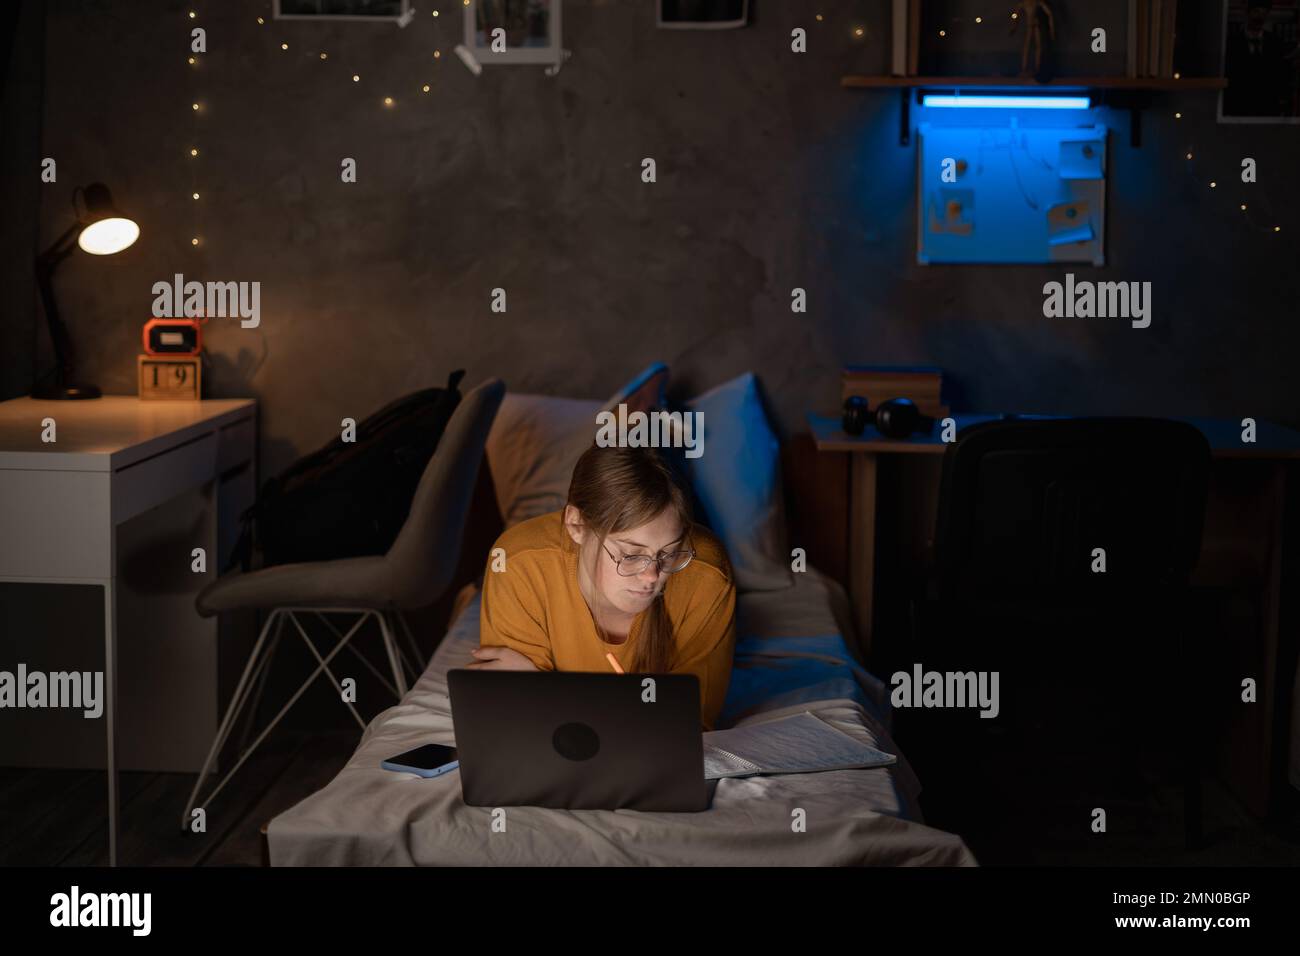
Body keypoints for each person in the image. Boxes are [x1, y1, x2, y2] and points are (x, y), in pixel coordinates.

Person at [469, 442, 737, 731]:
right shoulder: (518, 562)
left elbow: (687, 725)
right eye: (631, 554)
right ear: (576, 525)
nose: (652, 576)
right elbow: (518, 721)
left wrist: (547, 690)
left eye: (669, 553)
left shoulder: (706, 574)